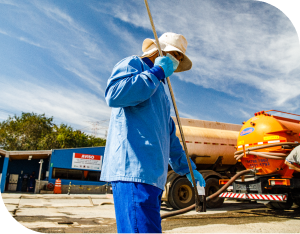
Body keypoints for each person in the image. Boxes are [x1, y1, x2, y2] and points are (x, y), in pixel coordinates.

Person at [100, 32, 205, 234]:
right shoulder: (134, 64)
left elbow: (169, 138)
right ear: (159, 51)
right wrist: (156, 72)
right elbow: (114, 95)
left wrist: (189, 170)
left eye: (180, 57)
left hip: (153, 178)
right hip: (134, 172)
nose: (178, 60)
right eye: (176, 54)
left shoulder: (162, 93)